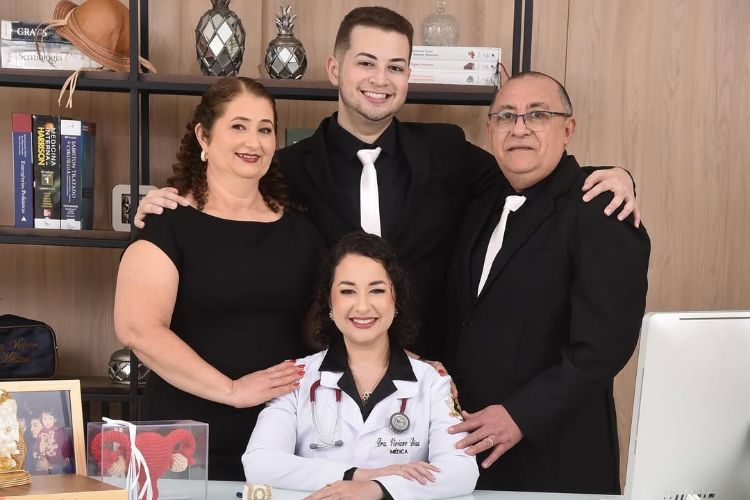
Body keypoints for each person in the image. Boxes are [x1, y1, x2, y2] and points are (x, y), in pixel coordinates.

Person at [133, 7, 639, 362]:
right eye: (366, 63)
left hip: (435, 382)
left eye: (395, 67)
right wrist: (169, 200)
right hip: (321, 383)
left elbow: (528, 172)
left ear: (408, 75)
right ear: (335, 68)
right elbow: (226, 202)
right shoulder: (286, 166)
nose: (381, 79)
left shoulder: (447, 150)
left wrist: (612, 176)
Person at [443, 71, 651, 494]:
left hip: (557, 454)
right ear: (490, 130)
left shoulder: (601, 210)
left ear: (568, 129)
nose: (519, 128)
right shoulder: (478, 203)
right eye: (506, 116)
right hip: (467, 450)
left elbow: (602, 348)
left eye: (537, 115)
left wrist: (520, 415)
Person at [114, 77, 325, 480]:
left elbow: (327, 327)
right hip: (184, 442)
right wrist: (233, 390)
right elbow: (137, 328)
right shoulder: (167, 223)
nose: (253, 141)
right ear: (203, 136)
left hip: (283, 439)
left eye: (265, 129)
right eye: (238, 126)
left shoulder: (302, 230)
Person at [242, 232, 478, 500]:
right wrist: (357, 475)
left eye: (377, 290)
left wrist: (378, 488)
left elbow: (461, 472)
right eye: (347, 291)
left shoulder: (433, 382)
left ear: (396, 299)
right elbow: (259, 463)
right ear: (329, 302)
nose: (363, 306)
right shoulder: (296, 377)